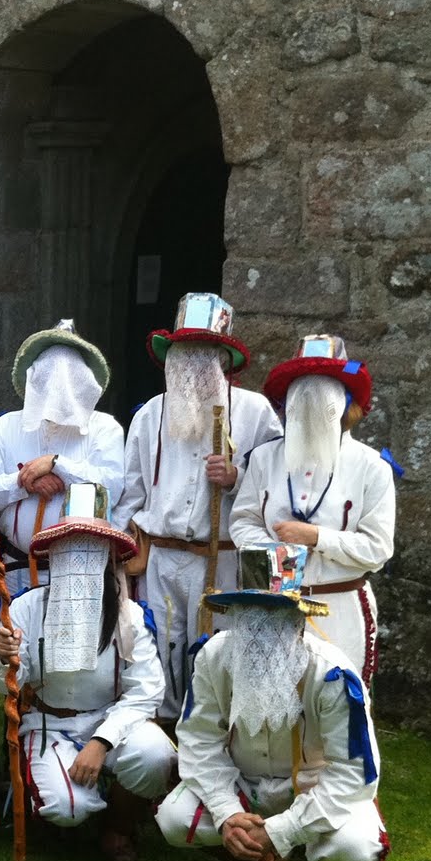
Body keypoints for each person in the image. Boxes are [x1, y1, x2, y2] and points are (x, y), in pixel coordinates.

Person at [156, 543, 387, 861]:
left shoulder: (332, 674)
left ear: (299, 620)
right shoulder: (214, 656)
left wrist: (284, 829)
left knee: (354, 846)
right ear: (235, 614)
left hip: (316, 788)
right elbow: (198, 739)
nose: (262, 628)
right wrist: (228, 812)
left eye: (277, 613)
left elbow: (354, 773)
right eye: (252, 612)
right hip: (244, 783)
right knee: (175, 820)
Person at [113, 294, 281, 719]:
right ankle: (161, 746)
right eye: (184, 351)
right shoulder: (150, 415)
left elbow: (278, 489)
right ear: (169, 358)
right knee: (160, 652)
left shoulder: (255, 413)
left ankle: (212, 748)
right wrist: (114, 554)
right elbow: (130, 494)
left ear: (222, 359)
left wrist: (237, 478)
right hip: (162, 559)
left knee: (215, 655)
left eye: (203, 353)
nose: (191, 363)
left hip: (222, 558)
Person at [0, 484, 178, 861]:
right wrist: (5, 660)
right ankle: (72, 808)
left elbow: (147, 690)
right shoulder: (27, 607)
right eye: (69, 548)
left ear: (109, 558)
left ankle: (119, 825)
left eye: (91, 550)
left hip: (108, 720)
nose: (79, 560)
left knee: (157, 757)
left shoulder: (127, 616)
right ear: (53, 555)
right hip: (48, 723)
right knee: (65, 807)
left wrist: (102, 741)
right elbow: (1, 685)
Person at [231, 336, 396, 680]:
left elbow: (378, 549)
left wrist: (316, 537)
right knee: (269, 711)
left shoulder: (371, 468)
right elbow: (244, 519)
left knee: (336, 709)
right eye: (301, 395)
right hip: (273, 606)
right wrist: (274, 550)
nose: (309, 406)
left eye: (322, 397)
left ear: (343, 404)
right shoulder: (265, 458)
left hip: (339, 612)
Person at [0, 320, 124, 596]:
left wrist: (58, 465)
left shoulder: (105, 429)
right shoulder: (6, 426)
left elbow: (112, 489)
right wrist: (24, 482)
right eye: (49, 376)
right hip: (15, 569)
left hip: (81, 573)